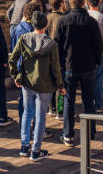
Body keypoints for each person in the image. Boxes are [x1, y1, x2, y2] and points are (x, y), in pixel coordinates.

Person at [9, 11, 65, 162]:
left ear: (32, 24)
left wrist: (16, 76)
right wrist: (60, 85)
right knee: (40, 117)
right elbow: (55, 68)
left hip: (27, 83)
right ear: (45, 25)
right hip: (45, 86)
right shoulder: (51, 44)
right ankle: (36, 150)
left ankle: (24, 146)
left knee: (27, 113)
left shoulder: (23, 38)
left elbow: (12, 59)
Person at [56, 0, 103, 146]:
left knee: (69, 100)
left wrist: (60, 65)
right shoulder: (91, 22)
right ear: (83, 3)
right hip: (88, 66)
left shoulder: (63, 21)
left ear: (70, 3)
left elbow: (57, 46)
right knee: (88, 100)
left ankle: (68, 135)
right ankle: (91, 131)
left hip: (69, 66)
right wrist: (97, 61)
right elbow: (98, 45)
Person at [10, 0, 44, 119]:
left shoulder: (17, 29)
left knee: (23, 99)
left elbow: (13, 50)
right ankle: (36, 127)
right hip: (35, 69)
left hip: (21, 68)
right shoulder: (35, 32)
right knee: (36, 100)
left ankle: (23, 124)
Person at [87, 0, 103, 111]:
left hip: (87, 52)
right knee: (98, 79)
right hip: (100, 52)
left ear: (88, 3)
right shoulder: (102, 18)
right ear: (99, 3)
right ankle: (99, 103)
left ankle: (87, 102)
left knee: (88, 79)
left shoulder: (85, 15)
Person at [47, 0, 67, 117]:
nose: (65, 4)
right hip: (60, 56)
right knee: (61, 85)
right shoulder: (63, 18)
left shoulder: (47, 17)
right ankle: (60, 111)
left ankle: (52, 108)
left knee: (51, 84)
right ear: (61, 4)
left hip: (48, 56)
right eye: (64, 2)